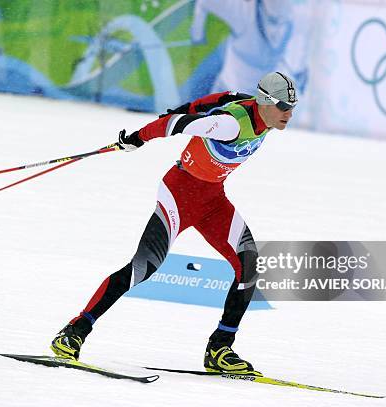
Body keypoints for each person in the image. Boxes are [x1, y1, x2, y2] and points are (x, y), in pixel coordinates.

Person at [51, 72, 297, 375]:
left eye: (292, 107)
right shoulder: (229, 124)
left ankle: (220, 348)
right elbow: (174, 125)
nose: (289, 113)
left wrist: (187, 105)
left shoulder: (261, 114)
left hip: (212, 200)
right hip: (179, 194)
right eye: (284, 106)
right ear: (265, 101)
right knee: (143, 268)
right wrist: (138, 138)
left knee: (248, 265)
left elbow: (220, 97)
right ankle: (74, 331)